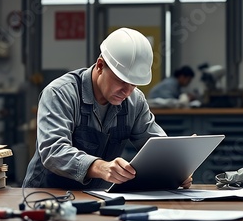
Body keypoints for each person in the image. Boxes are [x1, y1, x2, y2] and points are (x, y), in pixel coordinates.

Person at [23, 27, 192, 190]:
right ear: (100, 65)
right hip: (46, 197)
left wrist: (174, 167)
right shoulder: (60, 93)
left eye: (134, 84)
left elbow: (157, 146)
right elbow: (53, 151)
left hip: (97, 197)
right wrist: (100, 167)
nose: (127, 91)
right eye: (122, 81)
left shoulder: (135, 101)